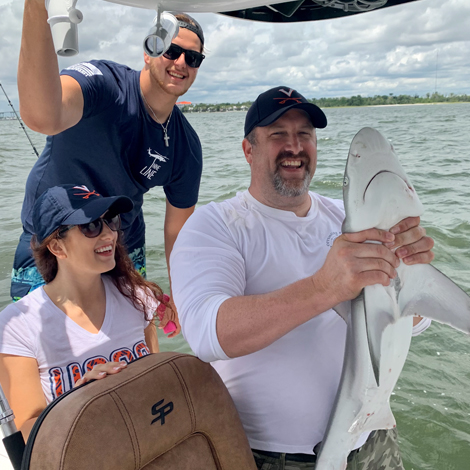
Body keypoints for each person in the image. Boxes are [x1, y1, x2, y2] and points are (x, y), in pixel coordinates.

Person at [169, 86, 435, 469]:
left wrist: (412, 277)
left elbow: (411, 321)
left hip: (372, 439)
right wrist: (324, 287)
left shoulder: (346, 219)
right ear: (248, 150)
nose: (294, 146)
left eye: (305, 134)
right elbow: (207, 333)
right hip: (272, 457)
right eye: (278, 134)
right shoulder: (214, 226)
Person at [12, 1, 205, 336]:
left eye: (193, 58)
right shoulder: (104, 85)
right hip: (53, 245)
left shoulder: (186, 147)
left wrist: (182, 297)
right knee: (49, 364)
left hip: (122, 250)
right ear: (149, 50)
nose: (181, 63)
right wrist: (36, 7)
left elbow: (178, 235)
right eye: (171, 50)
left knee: (134, 358)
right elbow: (44, 115)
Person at [0, 184, 171, 439]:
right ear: (57, 247)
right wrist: (81, 400)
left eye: (110, 220)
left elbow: (157, 383)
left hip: (148, 442)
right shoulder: (18, 324)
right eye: (91, 226)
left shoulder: (136, 296)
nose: (109, 235)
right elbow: (26, 430)